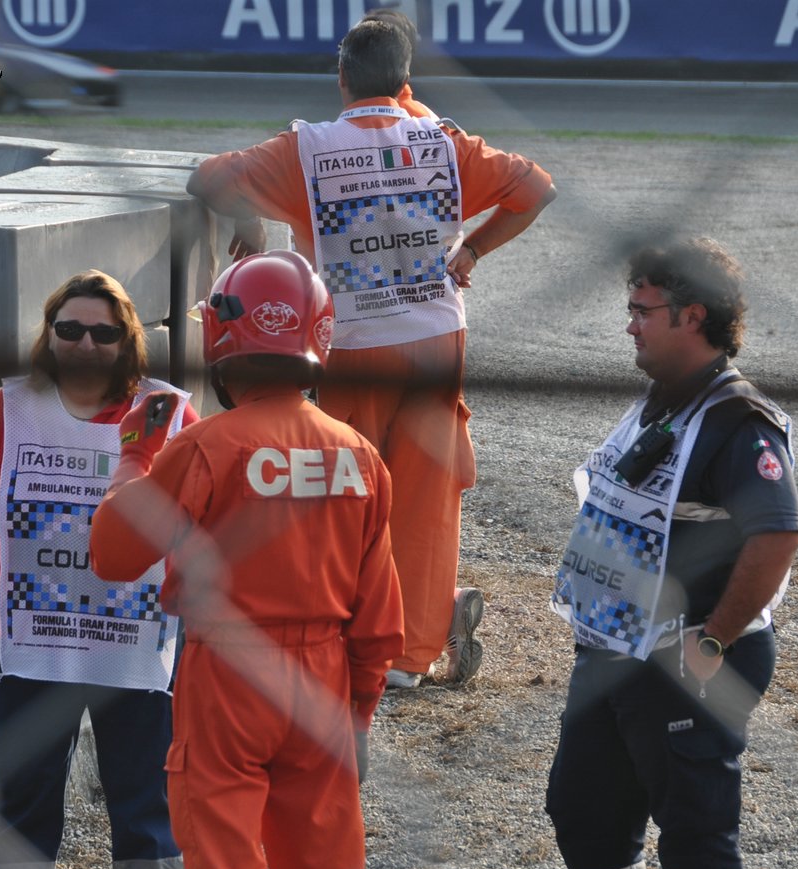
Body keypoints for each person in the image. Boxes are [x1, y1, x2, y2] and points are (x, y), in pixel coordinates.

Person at [89, 251, 402, 869]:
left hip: (227, 671)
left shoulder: (208, 448)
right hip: (325, 681)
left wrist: (133, 457)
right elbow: (379, 616)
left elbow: (115, 553)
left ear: (222, 340)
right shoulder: (358, 453)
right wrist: (356, 715)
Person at [186, 19, 555, 689]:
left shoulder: (308, 149)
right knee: (423, 501)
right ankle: (410, 655)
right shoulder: (443, 143)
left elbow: (207, 178)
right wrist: (471, 248)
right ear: (408, 83)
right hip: (434, 343)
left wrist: (248, 220)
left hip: (349, 344)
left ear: (341, 80)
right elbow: (537, 190)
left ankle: (344, 633)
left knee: (346, 500)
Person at [522, 237, 798, 869]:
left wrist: (713, 639)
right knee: (583, 809)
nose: (631, 326)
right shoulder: (664, 401)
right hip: (617, 650)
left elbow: (777, 536)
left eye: (643, 311)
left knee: (693, 824)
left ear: (692, 315)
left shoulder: (737, 419)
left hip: (690, 656)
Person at [0, 270, 193, 869]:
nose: (85, 342)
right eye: (69, 328)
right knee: (21, 796)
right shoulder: (13, 407)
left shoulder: (160, 410)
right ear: (48, 332)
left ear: (127, 341)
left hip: (135, 643)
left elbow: (197, 515)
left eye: (103, 332)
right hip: (26, 641)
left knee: (145, 801)